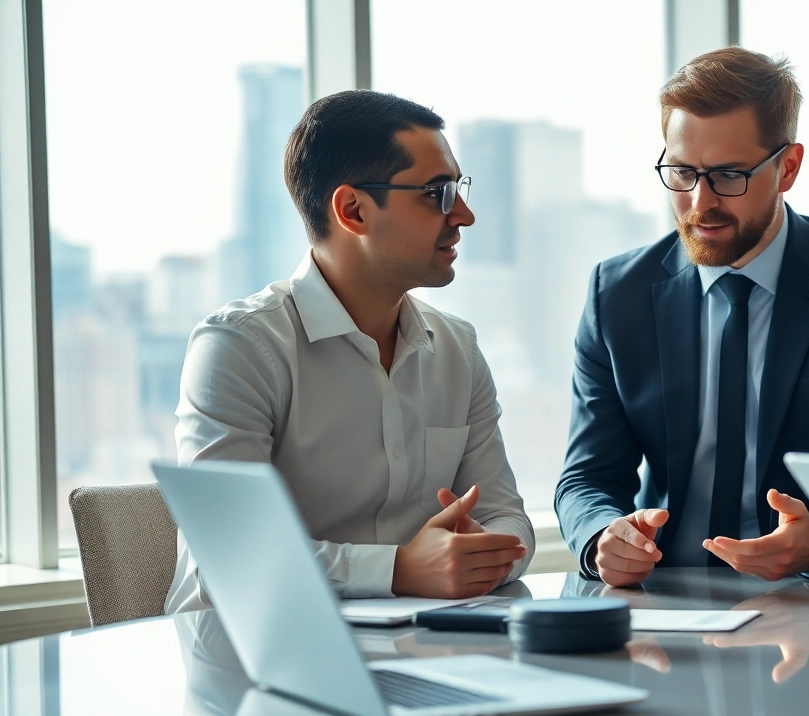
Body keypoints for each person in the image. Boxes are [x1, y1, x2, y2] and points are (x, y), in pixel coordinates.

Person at [555, 47, 809, 587]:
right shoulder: (618, 293)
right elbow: (587, 476)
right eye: (682, 172)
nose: (700, 201)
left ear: (787, 167)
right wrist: (602, 537)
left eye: (729, 175)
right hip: (663, 597)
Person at [166, 91, 534, 613]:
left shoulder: (459, 349)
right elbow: (230, 556)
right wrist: (399, 569)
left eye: (459, 188)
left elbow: (507, 518)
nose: (465, 215)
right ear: (353, 210)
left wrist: (481, 553)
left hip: (421, 646)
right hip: (249, 651)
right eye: (438, 193)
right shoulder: (239, 347)